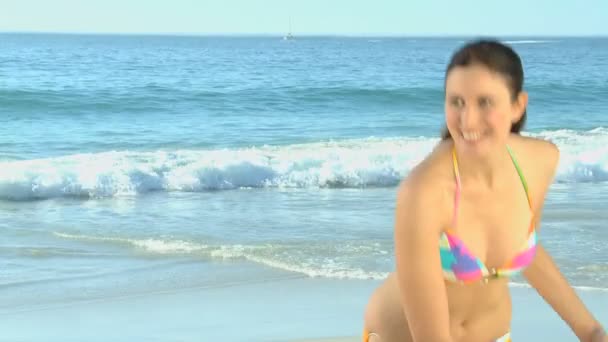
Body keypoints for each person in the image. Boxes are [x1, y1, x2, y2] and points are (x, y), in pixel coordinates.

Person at [362, 39, 606, 342]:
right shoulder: (424, 192)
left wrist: (590, 330)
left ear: (517, 106)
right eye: (457, 102)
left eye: (485, 102)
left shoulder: (539, 162)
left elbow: (525, 247)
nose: (468, 120)